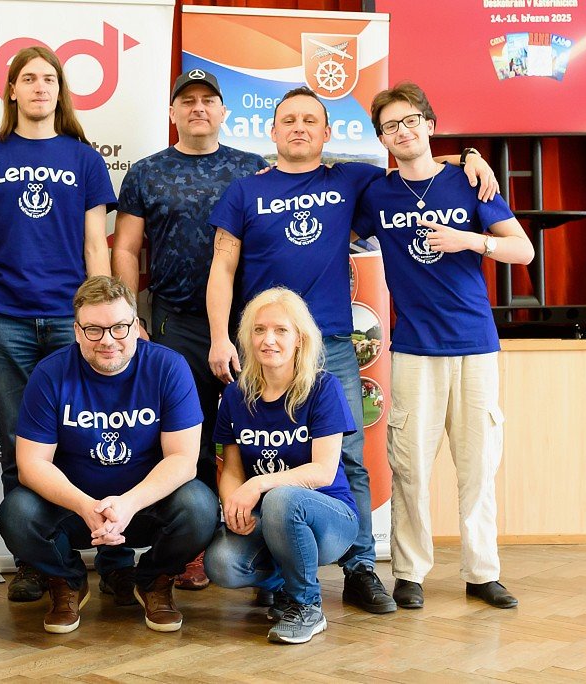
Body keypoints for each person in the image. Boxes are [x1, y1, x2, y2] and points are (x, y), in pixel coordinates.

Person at [205, 86, 499, 615]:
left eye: (309, 120)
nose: (299, 127)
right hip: (267, 345)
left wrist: (470, 156)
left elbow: (419, 159)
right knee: (257, 449)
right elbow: (222, 268)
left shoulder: (352, 180)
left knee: (349, 458)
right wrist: (221, 337)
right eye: (288, 120)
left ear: (327, 133)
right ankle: (277, 569)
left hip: (333, 343)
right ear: (272, 132)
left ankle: (361, 567)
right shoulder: (245, 190)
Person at [0, 46, 119, 602]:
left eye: (49, 78)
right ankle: (35, 560)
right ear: (12, 90)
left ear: (60, 91)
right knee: (22, 443)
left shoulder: (84, 159)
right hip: (5, 321)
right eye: (29, 78)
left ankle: (105, 552)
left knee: (87, 440)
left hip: (74, 323)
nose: (40, 86)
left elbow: (96, 247)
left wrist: (106, 320)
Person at [354, 82, 534, 609]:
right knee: (409, 466)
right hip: (414, 348)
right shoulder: (378, 193)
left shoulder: (469, 181)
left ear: (430, 125)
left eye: (411, 121)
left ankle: (482, 572)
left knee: (478, 466)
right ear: (382, 139)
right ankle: (410, 573)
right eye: (391, 126)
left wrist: (469, 240)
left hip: (475, 344)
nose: (403, 132)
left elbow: (522, 250)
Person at [112, 69, 268, 591]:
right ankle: (194, 546)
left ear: (224, 111)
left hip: (248, 325)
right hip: (174, 321)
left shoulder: (252, 168)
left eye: (208, 100)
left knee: (259, 433)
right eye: (188, 101)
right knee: (189, 437)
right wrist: (131, 317)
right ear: (172, 113)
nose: (198, 107)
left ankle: (260, 544)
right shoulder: (146, 172)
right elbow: (125, 248)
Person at [0, 276, 218, 634]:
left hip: (144, 507)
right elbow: (31, 464)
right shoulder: (51, 373)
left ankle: (153, 580)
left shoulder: (168, 367)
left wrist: (128, 504)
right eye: (94, 330)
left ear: (135, 325)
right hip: (74, 509)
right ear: (77, 331)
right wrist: (86, 507)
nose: (108, 340)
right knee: (17, 513)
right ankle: (67, 581)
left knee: (200, 506)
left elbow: (183, 460)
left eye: (119, 327)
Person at [204, 287, 359, 644]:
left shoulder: (323, 388)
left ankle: (307, 606)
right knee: (222, 563)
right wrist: (233, 504)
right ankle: (285, 585)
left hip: (330, 518)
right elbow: (231, 468)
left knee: (281, 497)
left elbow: (322, 471)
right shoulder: (235, 395)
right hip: (269, 518)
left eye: (280, 330)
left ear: (299, 339)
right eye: (259, 330)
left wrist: (258, 485)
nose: (268, 340)